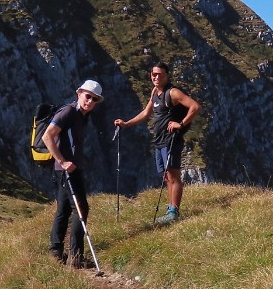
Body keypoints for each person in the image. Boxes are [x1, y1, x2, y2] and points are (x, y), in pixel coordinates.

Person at [114, 62, 201, 225]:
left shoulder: (172, 93)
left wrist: (180, 124)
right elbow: (146, 113)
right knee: (166, 176)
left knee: (174, 176)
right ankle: (170, 209)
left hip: (171, 140)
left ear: (167, 75)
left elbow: (195, 107)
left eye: (159, 74)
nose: (156, 77)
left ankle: (174, 212)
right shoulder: (155, 92)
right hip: (159, 141)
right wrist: (126, 123)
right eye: (153, 74)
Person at [44, 79, 103, 264]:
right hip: (67, 169)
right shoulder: (69, 111)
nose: (90, 101)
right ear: (79, 94)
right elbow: (48, 136)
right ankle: (75, 258)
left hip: (68, 168)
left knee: (63, 209)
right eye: (88, 96)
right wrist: (63, 161)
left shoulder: (83, 116)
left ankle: (55, 251)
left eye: (94, 99)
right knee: (81, 208)